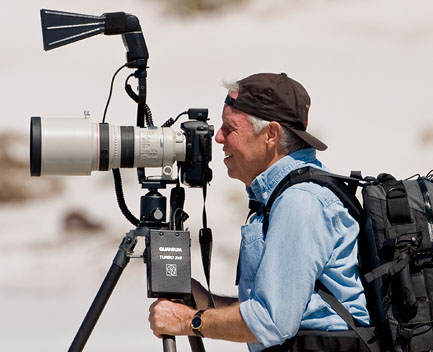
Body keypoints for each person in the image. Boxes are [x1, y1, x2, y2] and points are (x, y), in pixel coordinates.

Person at [148, 73, 370, 351]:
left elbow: (271, 322)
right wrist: (204, 300)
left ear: (271, 135)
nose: (218, 137)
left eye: (230, 128)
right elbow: (277, 308)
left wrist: (190, 321)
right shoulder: (281, 198)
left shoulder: (299, 202)